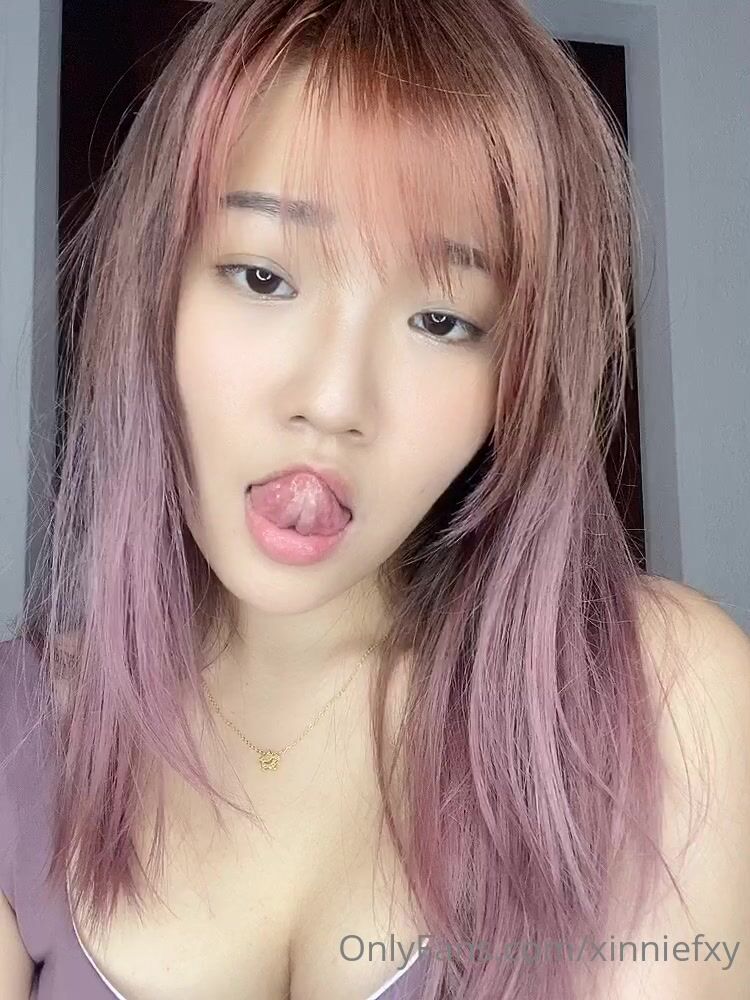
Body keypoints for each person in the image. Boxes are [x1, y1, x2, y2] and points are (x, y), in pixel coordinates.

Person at [1, 1, 749, 998]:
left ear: (516, 377)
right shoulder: (21, 733)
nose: (334, 400)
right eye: (263, 275)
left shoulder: (654, 701)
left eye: (441, 320)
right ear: (159, 291)